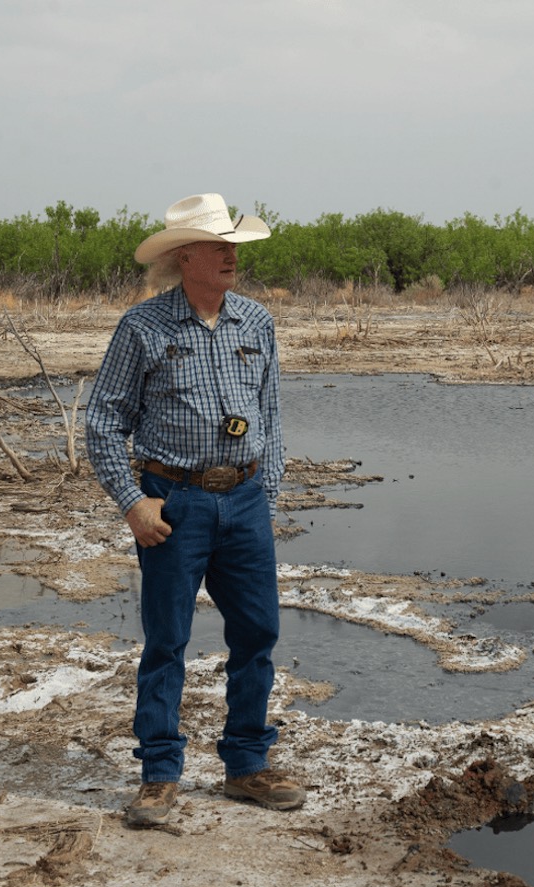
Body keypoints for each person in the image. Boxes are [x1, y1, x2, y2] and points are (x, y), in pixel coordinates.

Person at [85, 192, 303, 826]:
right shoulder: (143, 327)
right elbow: (102, 422)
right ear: (185, 257)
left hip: (246, 499)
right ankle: (158, 774)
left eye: (233, 245)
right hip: (173, 504)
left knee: (259, 633)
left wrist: (266, 491)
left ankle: (247, 766)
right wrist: (133, 503)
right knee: (168, 641)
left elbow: (272, 415)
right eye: (217, 245)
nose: (231, 255)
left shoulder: (257, 322)